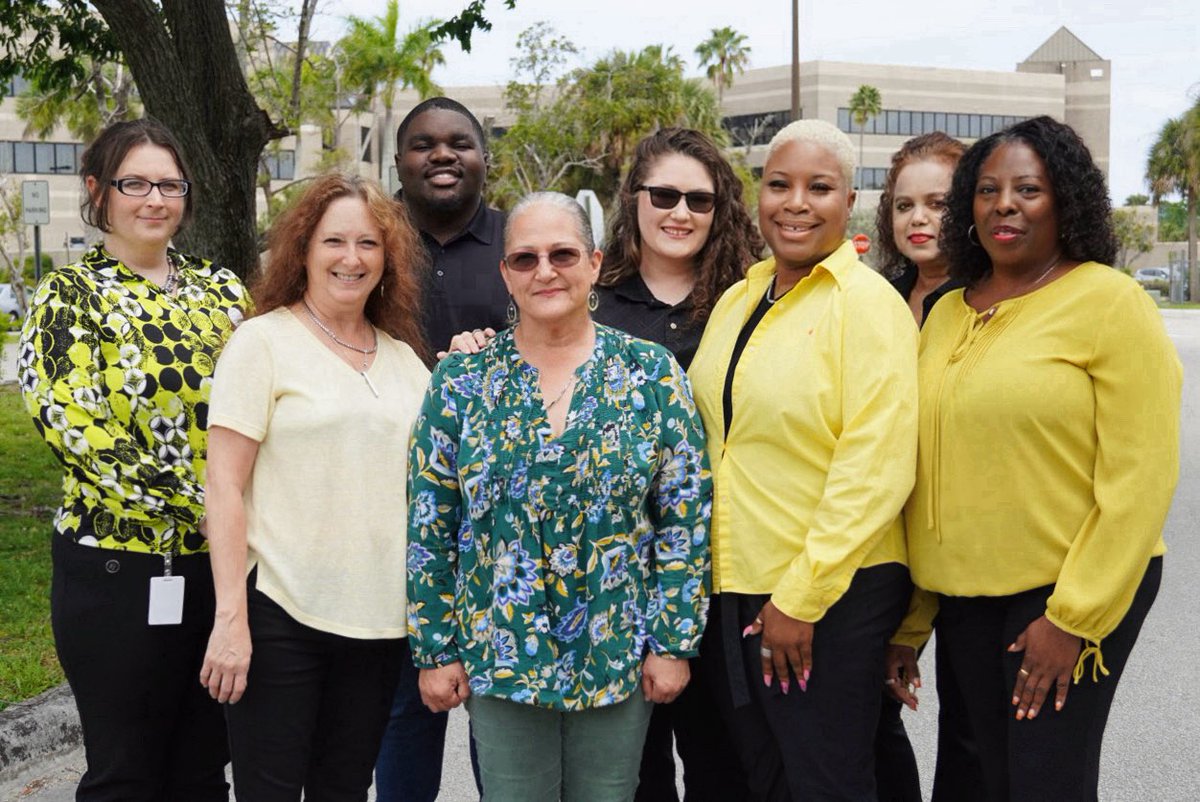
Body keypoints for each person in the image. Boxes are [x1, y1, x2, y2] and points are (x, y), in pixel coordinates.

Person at [904, 115, 1181, 801]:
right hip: (964, 595)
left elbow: (1139, 477)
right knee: (971, 776)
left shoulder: (1109, 303)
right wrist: (910, 621)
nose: (1005, 204)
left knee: (1041, 781)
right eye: (988, 189)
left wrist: (1072, 619)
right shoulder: (945, 312)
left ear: (1067, 199)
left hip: (1066, 587)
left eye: (1028, 188)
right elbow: (919, 472)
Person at [406, 191, 712, 802]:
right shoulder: (463, 381)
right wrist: (435, 648)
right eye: (525, 258)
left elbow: (684, 516)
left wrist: (674, 643)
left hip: (616, 650)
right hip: (500, 653)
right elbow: (430, 523)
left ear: (595, 263)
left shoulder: (650, 374)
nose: (545, 271)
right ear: (505, 274)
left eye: (562, 254)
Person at [688, 119, 919, 801]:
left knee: (827, 781)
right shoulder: (739, 297)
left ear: (849, 202)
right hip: (737, 581)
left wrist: (801, 597)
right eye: (779, 184)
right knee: (766, 777)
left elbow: (875, 465)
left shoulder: (867, 305)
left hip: (827, 589)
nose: (796, 203)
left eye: (819, 188)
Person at [19, 117, 247, 801]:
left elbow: (266, 410)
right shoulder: (69, 296)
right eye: (135, 183)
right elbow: (76, 427)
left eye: (169, 184)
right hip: (116, 571)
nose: (155, 198)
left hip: (220, 571)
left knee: (204, 772)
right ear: (99, 191)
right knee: (127, 775)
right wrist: (207, 509)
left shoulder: (225, 292)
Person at [199, 173, 431, 800]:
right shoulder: (262, 343)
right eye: (334, 241)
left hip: (379, 625)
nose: (350, 258)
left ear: (388, 259)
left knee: (345, 791)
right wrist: (230, 621)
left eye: (368, 244)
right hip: (280, 615)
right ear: (301, 249)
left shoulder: (408, 362)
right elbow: (222, 488)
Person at [598, 127, 761, 801]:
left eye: (700, 200)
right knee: (633, 779)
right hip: (615, 580)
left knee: (726, 769)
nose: (681, 213)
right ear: (634, 199)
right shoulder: (590, 305)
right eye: (664, 194)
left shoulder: (752, 302)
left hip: (725, 576)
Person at [872, 131, 980, 802]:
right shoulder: (876, 297)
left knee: (972, 737)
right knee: (871, 714)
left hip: (967, 546)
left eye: (938, 203)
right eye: (905, 204)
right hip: (882, 535)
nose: (920, 219)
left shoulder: (989, 302)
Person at [394, 96, 509, 364]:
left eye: (460, 145)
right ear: (398, 164)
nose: (443, 155)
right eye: (423, 146)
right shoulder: (364, 242)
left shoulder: (522, 244)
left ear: (486, 162)